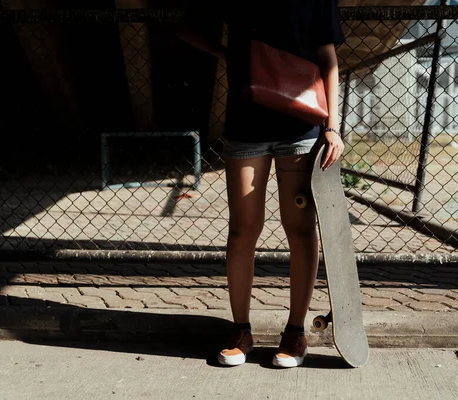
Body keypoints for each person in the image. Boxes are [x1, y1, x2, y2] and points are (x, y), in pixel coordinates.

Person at [178, 0, 346, 368]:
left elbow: (328, 58)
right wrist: (227, 53)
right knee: (242, 230)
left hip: (302, 127)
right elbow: (188, 25)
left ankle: (295, 332)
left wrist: (333, 127)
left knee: (300, 230)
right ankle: (240, 331)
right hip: (245, 125)